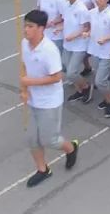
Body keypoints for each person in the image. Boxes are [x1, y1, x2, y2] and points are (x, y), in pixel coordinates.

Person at [19, 10, 79, 188]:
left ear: (41, 28)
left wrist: (31, 82)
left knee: (50, 139)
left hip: (49, 102)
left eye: (30, 27)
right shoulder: (24, 44)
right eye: (25, 26)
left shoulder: (49, 50)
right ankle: (43, 169)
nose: (26, 30)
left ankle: (71, 148)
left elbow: (56, 77)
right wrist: (24, 89)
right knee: (32, 138)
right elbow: (23, 65)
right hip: (32, 99)